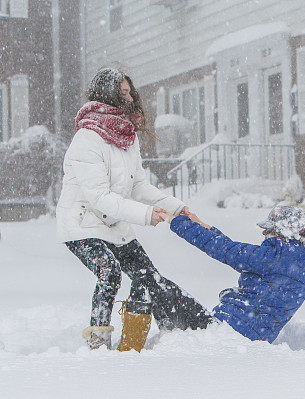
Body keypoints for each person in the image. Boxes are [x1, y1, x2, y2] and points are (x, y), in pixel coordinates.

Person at [57, 67, 210, 352]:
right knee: (109, 272)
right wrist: (145, 215)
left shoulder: (127, 137)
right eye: (122, 93)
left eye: (130, 92)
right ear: (107, 95)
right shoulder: (87, 139)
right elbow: (99, 197)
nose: (129, 98)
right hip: (82, 225)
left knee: (147, 276)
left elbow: (139, 185)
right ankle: (98, 343)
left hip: (115, 223)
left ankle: (134, 344)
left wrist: (177, 208)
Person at [158, 205, 305, 343]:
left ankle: (146, 350)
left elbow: (222, 249)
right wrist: (201, 224)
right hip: (242, 336)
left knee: (156, 285)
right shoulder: (299, 261)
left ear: (282, 232)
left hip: (227, 333)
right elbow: (230, 248)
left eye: (268, 229)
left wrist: (177, 222)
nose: (264, 234)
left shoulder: (274, 257)